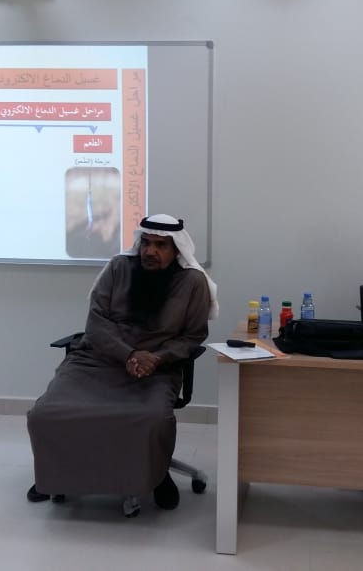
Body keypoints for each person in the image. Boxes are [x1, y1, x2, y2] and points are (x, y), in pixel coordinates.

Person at [26, 214, 219, 511]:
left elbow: (192, 336)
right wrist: (128, 355)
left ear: (177, 250)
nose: (150, 251)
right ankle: (55, 476)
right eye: (146, 243)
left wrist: (157, 358)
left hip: (155, 370)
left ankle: (157, 475)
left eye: (161, 246)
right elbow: (96, 324)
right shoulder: (118, 268)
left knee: (152, 418)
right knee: (45, 414)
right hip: (98, 360)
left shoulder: (192, 282)